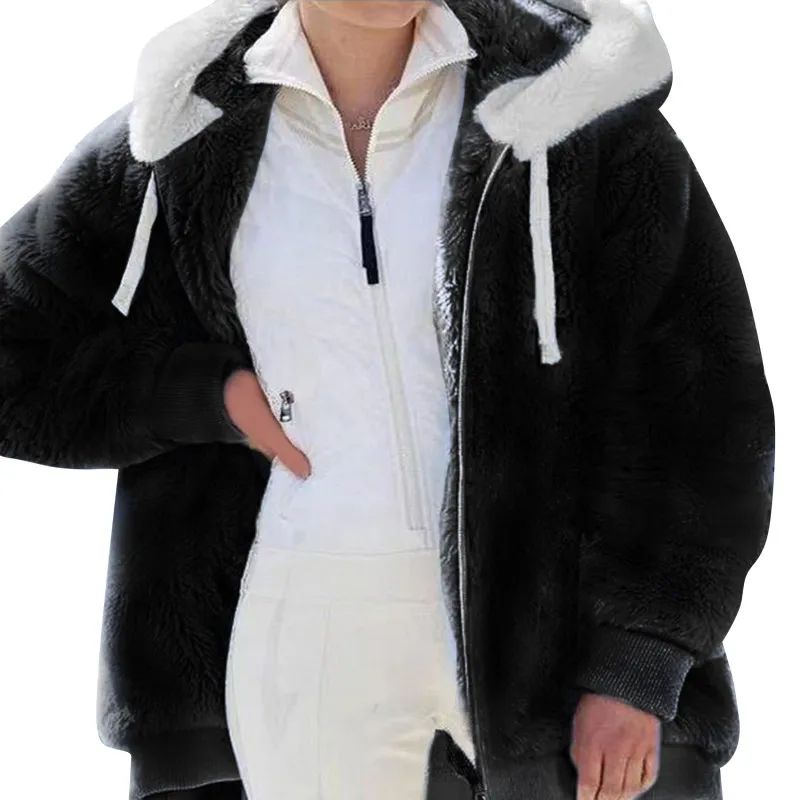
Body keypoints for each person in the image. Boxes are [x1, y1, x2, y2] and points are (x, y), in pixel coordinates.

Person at [0, 1, 774, 799]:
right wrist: (201, 396)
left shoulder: (574, 111)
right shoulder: (184, 135)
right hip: (307, 639)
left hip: (553, 649)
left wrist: (639, 659)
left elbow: (705, 408)